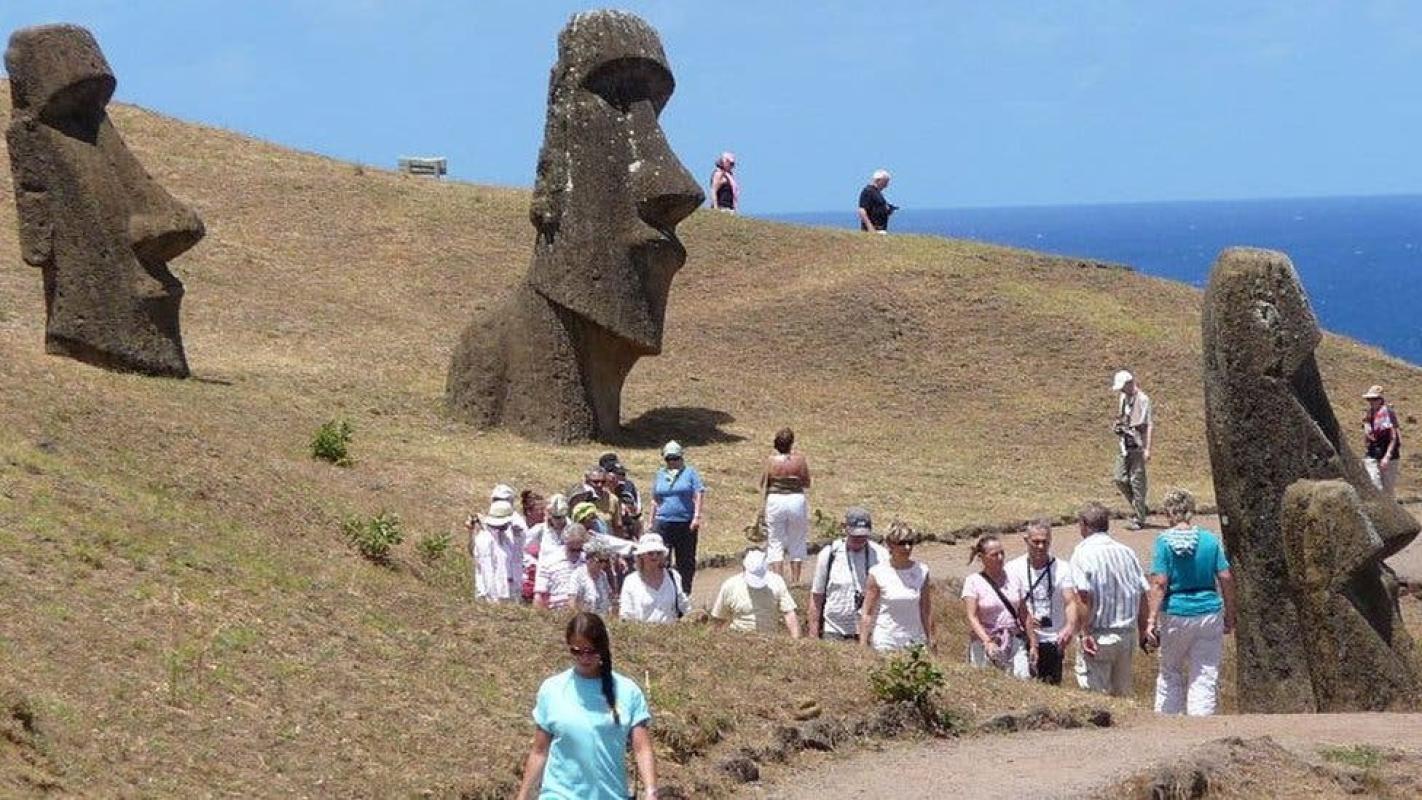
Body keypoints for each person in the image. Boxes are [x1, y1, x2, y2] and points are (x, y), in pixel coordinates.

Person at [516, 612, 658, 800]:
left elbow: (642, 748)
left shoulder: (628, 691)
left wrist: (651, 791)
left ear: (603, 648)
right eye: (577, 651)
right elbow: (539, 751)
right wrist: (523, 795)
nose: (584, 658)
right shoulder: (552, 689)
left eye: (591, 651)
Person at [1147, 489, 1237, 716]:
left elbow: (1159, 583)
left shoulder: (1164, 542)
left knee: (1170, 671)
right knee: (1205, 674)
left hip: (1175, 612)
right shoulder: (1210, 540)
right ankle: (1201, 724)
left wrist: (1151, 620)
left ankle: (1168, 722)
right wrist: (1230, 613)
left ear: (1169, 512)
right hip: (1209, 612)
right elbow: (1225, 577)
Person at [1068, 501, 1150, 697]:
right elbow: (1142, 593)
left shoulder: (1082, 552)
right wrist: (1143, 631)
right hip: (1127, 636)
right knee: (1123, 695)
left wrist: (1085, 632)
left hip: (1099, 635)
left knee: (1095, 696)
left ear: (1084, 525)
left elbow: (1084, 595)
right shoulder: (1126, 552)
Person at [1004, 519, 1077, 684]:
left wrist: (1069, 627)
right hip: (1023, 638)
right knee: (1021, 684)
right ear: (1026, 540)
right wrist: (1026, 621)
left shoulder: (1063, 568)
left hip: (1052, 639)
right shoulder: (1012, 568)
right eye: (1035, 542)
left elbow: (1070, 601)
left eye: (1045, 542)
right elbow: (1008, 604)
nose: (1040, 546)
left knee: (1050, 686)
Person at [809, 507, 888, 642]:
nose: (859, 539)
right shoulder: (829, 554)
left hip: (869, 631)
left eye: (863, 536)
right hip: (833, 631)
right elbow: (817, 596)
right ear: (845, 529)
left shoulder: (881, 555)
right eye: (855, 535)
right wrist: (813, 635)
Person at [962, 534, 1036, 678]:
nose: (1000, 558)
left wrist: (1033, 644)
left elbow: (1024, 614)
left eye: (1002, 553)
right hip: (987, 641)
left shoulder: (1014, 579)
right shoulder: (973, 581)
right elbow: (972, 616)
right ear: (982, 557)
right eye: (994, 555)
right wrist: (987, 641)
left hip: (1013, 639)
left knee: (1022, 679)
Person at [860, 521, 932, 652]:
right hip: (886, 640)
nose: (907, 547)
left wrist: (931, 638)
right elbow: (867, 613)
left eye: (910, 542)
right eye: (902, 543)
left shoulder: (922, 571)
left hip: (915, 640)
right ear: (890, 544)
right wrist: (863, 645)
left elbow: (926, 610)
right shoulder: (877, 573)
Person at [649, 441, 706, 593]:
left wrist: (696, 517)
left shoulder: (690, 473)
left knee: (685, 560)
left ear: (681, 457)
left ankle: (684, 592)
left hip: (685, 523)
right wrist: (651, 522)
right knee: (662, 558)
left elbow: (698, 493)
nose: (672, 462)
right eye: (669, 459)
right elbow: (655, 499)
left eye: (675, 458)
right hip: (663, 522)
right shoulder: (660, 474)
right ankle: (665, 591)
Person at [711, 549, 802, 637]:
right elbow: (719, 618)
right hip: (738, 637)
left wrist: (796, 640)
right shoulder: (730, 586)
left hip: (769, 638)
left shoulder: (777, 582)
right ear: (744, 568)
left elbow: (789, 613)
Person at [762, 427, 812, 584]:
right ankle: (795, 580)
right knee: (797, 539)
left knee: (775, 540)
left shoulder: (771, 461)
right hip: (796, 499)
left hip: (775, 499)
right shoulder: (800, 460)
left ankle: (778, 581)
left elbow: (764, 482)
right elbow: (807, 482)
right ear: (791, 443)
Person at [1111, 370, 1154, 530]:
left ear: (1130, 383)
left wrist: (1147, 448)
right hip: (1124, 445)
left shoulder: (1143, 400)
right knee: (1119, 478)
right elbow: (1122, 417)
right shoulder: (1123, 397)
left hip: (1137, 446)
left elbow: (1148, 425)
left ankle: (1139, 518)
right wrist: (1117, 425)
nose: (1122, 390)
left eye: (1123, 387)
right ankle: (1139, 506)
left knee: (1137, 482)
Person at [618, 533, 690, 624]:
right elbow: (626, 615)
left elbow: (684, 606)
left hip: (672, 630)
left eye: (659, 553)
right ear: (641, 555)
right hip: (643, 631)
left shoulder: (673, 576)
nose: (655, 556)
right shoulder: (630, 581)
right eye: (650, 553)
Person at [471, 499, 522, 603]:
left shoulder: (505, 538)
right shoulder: (484, 539)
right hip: (491, 598)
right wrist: (493, 600)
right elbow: (487, 571)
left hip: (505, 594)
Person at [534, 524, 590, 610]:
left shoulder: (588, 562)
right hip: (556, 611)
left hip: (583, 611)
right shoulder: (549, 561)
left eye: (579, 550)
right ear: (565, 542)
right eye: (572, 549)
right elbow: (539, 595)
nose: (576, 553)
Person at [1363, 385, 1402, 497]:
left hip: (1389, 455)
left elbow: (1393, 437)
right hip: (1373, 453)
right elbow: (1366, 424)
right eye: (1369, 399)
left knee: (1388, 491)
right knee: (1374, 483)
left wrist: (1387, 456)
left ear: (1380, 400)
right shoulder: (1369, 413)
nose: (1371, 402)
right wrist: (1366, 429)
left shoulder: (1388, 413)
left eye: (1374, 399)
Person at [572, 540, 616, 615]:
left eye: (606, 561)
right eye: (600, 561)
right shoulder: (578, 575)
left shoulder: (603, 575)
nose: (603, 564)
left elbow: (609, 598)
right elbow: (572, 601)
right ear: (589, 559)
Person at [856, 169, 896, 234]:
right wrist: (870, 228)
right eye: (885, 182)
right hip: (873, 230)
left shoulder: (877, 193)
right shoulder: (868, 191)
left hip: (880, 228)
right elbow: (862, 211)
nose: (886, 185)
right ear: (878, 180)